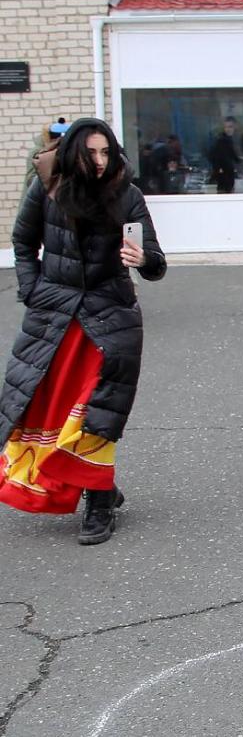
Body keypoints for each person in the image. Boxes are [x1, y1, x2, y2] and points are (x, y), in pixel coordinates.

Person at [0, 117, 167, 544]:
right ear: (72, 152)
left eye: (105, 152)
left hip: (110, 314)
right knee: (52, 410)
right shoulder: (48, 188)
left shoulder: (127, 194)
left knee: (96, 411)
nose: (99, 161)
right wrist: (33, 290)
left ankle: (97, 502)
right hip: (54, 314)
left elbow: (156, 263)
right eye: (91, 152)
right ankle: (103, 488)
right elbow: (22, 242)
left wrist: (142, 259)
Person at [208, 116, 242, 194]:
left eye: (230, 127)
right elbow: (215, 156)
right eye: (226, 127)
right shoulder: (222, 140)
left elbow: (232, 154)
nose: (228, 129)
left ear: (235, 127)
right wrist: (219, 169)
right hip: (224, 174)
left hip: (227, 173)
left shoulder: (231, 139)